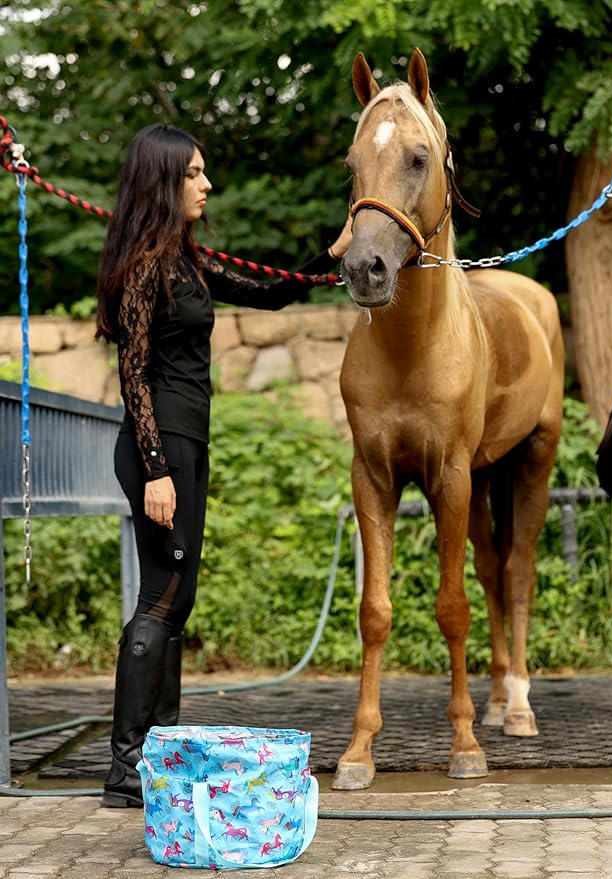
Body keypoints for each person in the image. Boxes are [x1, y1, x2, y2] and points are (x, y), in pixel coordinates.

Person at [95, 122, 352, 808]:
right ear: (164, 180)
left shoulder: (185, 260)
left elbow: (265, 291)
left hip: (187, 444)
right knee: (161, 595)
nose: (207, 184)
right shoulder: (146, 266)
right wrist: (155, 469)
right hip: (161, 448)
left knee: (176, 599)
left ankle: (160, 747)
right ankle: (125, 767)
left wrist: (333, 252)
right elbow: (133, 374)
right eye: (195, 174)